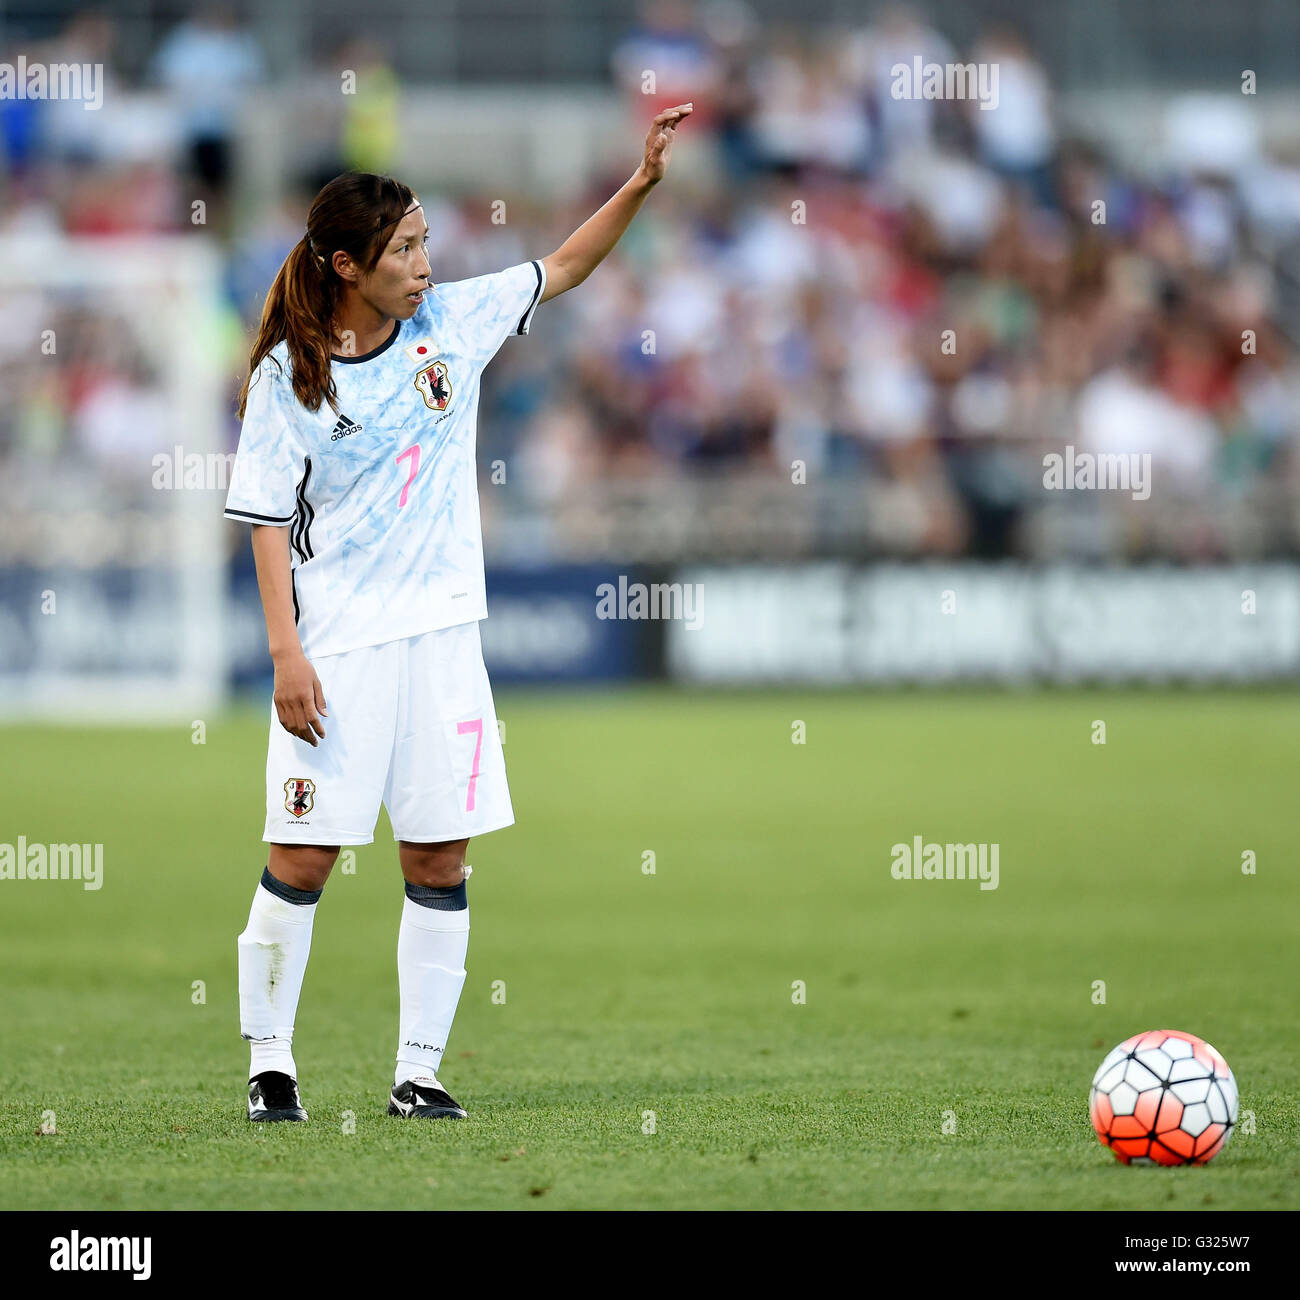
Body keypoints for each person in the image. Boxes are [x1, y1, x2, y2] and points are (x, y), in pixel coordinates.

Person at [224, 105, 692, 1122]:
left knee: (439, 857)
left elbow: (564, 267)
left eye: (426, 240)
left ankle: (419, 1073)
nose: (424, 261)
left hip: (443, 640)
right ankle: (271, 1066)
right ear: (348, 266)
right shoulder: (285, 378)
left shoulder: (453, 324)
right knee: (301, 857)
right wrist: (284, 653)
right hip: (337, 649)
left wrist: (643, 181)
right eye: (404, 248)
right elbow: (263, 521)